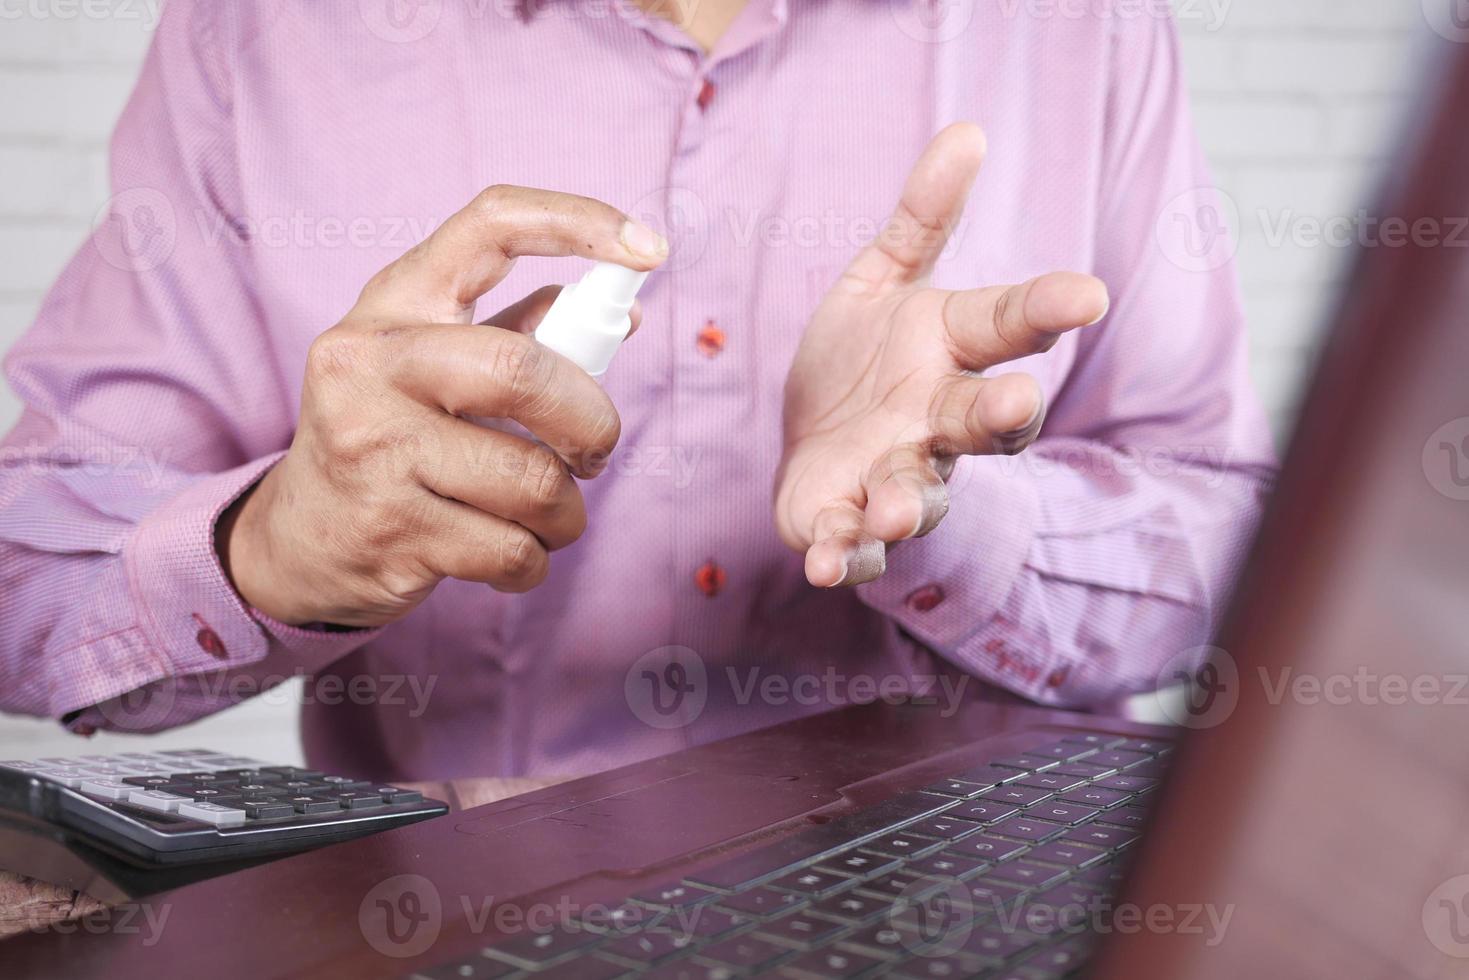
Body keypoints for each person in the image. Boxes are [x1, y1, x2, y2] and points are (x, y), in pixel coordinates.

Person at [0, 0, 1275, 780]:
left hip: (980, 915)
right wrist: (272, 547)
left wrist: (953, 513)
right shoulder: (262, 36)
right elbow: (28, 580)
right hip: (469, 929)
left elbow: (1233, 562)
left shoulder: (1078, 28)